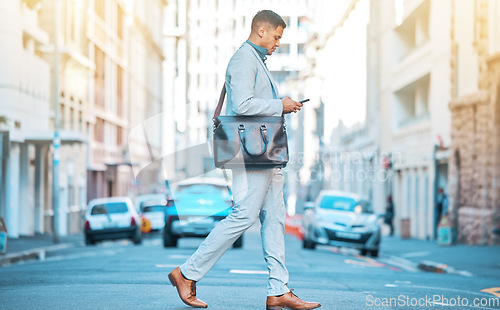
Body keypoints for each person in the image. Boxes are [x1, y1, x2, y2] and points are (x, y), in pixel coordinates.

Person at [167, 10, 321, 310]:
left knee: (274, 219)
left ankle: (279, 290)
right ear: (261, 31)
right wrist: (281, 104)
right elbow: (243, 104)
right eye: (276, 37)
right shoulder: (243, 59)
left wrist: (280, 104)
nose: (278, 43)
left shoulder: (257, 61)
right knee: (244, 216)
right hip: (250, 154)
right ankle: (187, 273)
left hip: (265, 155)